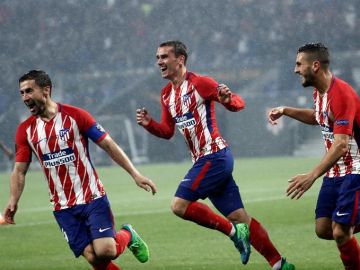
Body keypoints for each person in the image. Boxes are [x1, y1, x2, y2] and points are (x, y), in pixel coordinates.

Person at [136, 40, 295, 270]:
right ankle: (280, 264)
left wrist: (229, 100)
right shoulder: (166, 95)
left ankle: (233, 234)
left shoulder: (200, 83)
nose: (159, 61)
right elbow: (167, 132)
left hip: (215, 156)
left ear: (180, 60)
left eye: (164, 57)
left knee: (179, 205)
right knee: (241, 217)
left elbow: (238, 103)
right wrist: (149, 124)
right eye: (157, 57)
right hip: (207, 162)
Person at [3, 70, 158, 270]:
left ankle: (127, 234)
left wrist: (135, 174)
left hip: (92, 196)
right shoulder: (25, 130)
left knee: (106, 251)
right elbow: (19, 170)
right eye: (22, 93)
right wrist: (13, 200)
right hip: (62, 206)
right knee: (94, 259)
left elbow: (109, 145)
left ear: (46, 90)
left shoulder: (75, 116)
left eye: (29, 91)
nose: (24, 97)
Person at [268, 43, 360, 270]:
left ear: (315, 66)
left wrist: (312, 175)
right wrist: (286, 110)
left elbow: (340, 145)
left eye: (299, 64)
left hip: (356, 168)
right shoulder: (319, 91)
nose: (295, 69)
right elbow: (320, 116)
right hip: (336, 171)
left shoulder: (342, 93)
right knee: (323, 228)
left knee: (341, 231)